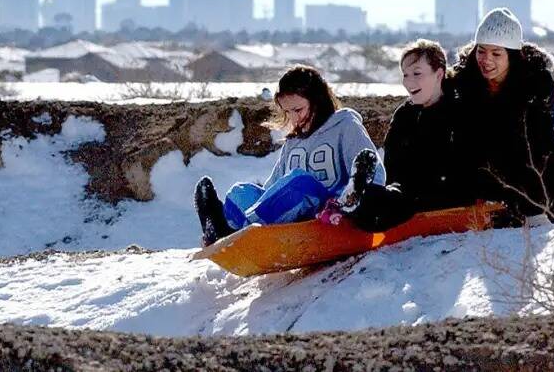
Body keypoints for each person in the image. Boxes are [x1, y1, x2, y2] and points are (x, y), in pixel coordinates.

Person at [194, 65, 385, 246]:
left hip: (329, 212)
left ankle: (238, 231)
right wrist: (252, 199)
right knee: (241, 191)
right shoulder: (293, 142)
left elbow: (372, 169)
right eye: (287, 111)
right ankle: (223, 226)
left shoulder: (344, 125)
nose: (293, 118)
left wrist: (361, 201)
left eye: (298, 110)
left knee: (300, 182)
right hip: (289, 213)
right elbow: (274, 188)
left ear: (317, 101)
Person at [450, 8, 554, 224]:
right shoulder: (462, 84)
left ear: (512, 55)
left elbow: (544, 150)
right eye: (481, 51)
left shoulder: (534, 89)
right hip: (482, 185)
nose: (486, 60)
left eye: (496, 53)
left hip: (527, 183)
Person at [350, 39, 479, 232]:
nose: (409, 82)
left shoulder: (460, 110)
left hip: (446, 193)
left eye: (417, 74)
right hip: (406, 192)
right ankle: (352, 199)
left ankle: (360, 203)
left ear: (439, 74)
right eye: (405, 75)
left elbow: (467, 165)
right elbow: (392, 163)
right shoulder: (405, 115)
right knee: (388, 199)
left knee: (383, 209)